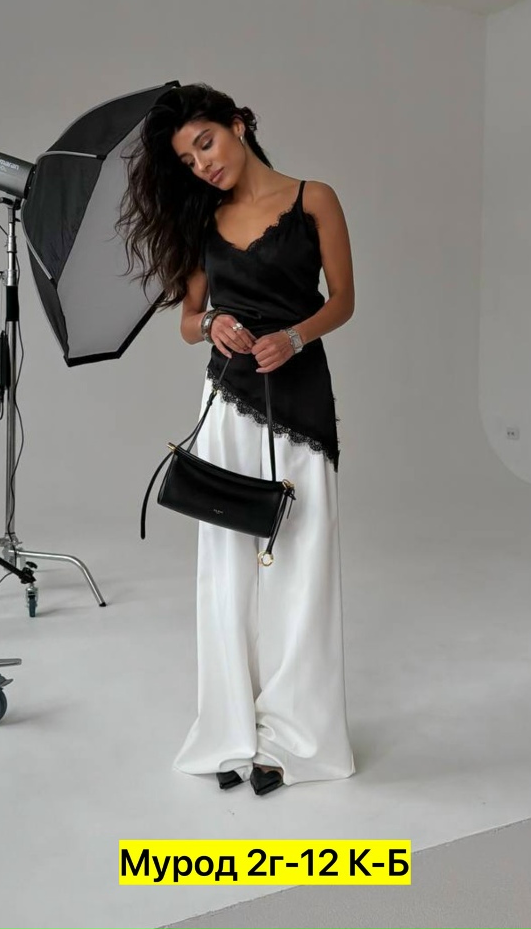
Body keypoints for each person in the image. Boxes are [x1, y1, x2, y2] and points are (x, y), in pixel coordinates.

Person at [117, 83, 356, 796]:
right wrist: (211, 323)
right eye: (189, 160)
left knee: (302, 566)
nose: (203, 164)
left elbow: (343, 299)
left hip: (300, 402)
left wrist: (295, 336)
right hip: (226, 404)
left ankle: (297, 740)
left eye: (207, 143)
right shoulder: (202, 221)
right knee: (225, 568)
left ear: (239, 125)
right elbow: (187, 320)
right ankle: (230, 730)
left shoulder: (315, 199)